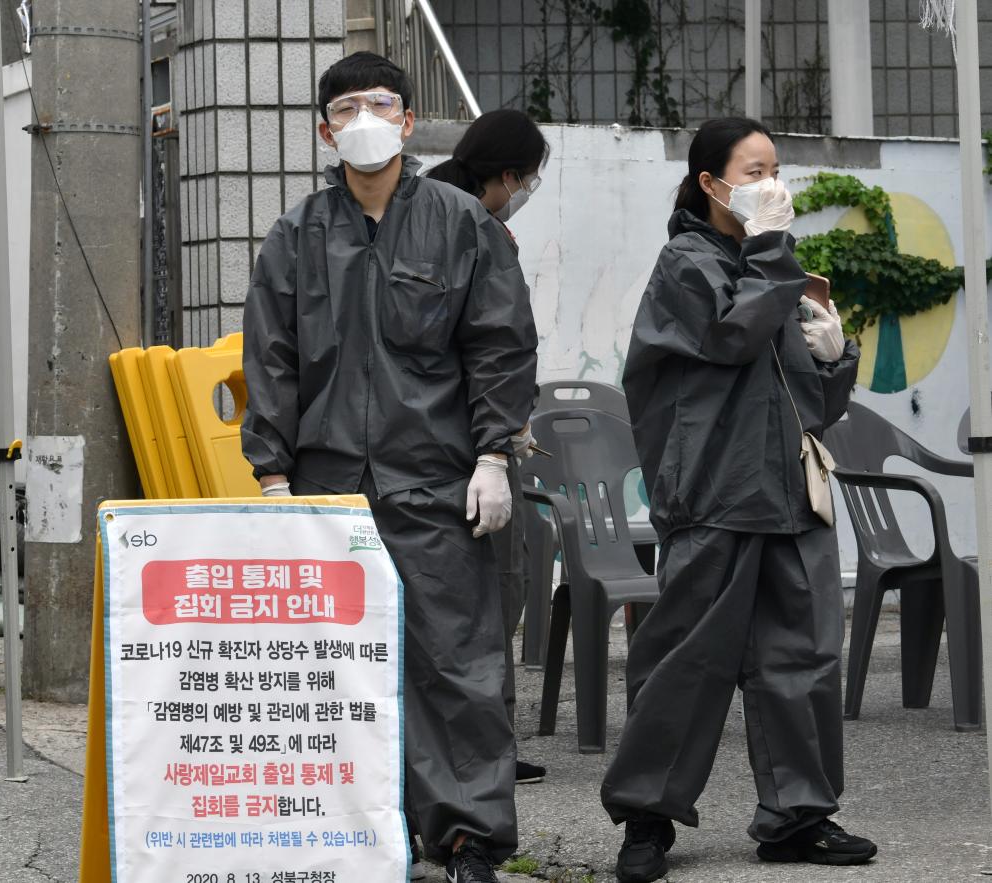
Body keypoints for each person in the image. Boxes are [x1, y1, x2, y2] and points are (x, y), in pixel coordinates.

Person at [240, 52, 538, 883]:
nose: (364, 118)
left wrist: (493, 453)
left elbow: (501, 344)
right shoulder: (295, 236)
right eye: (346, 106)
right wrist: (272, 478)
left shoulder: (460, 223)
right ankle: (357, 835)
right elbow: (272, 360)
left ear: (409, 121)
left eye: (380, 103)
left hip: (438, 485)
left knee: (459, 667)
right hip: (328, 494)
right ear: (324, 129)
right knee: (336, 678)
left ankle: (469, 837)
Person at [599, 117, 875, 883]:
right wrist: (773, 258)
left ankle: (798, 815)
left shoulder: (771, 265)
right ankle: (646, 817)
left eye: (776, 167)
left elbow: (814, 401)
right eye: (754, 170)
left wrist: (835, 350)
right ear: (710, 185)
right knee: (685, 659)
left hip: (789, 491)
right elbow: (729, 336)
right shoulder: (686, 264)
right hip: (717, 491)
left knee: (806, 658)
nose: (771, 182)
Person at [427, 109, 549, 788]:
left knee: (484, 600)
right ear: (506, 175)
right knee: (496, 594)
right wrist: (500, 438)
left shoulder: (425, 213)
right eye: (527, 178)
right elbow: (496, 346)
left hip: (443, 445)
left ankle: (484, 746)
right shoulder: (477, 229)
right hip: (470, 449)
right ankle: (479, 753)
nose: (526, 189)